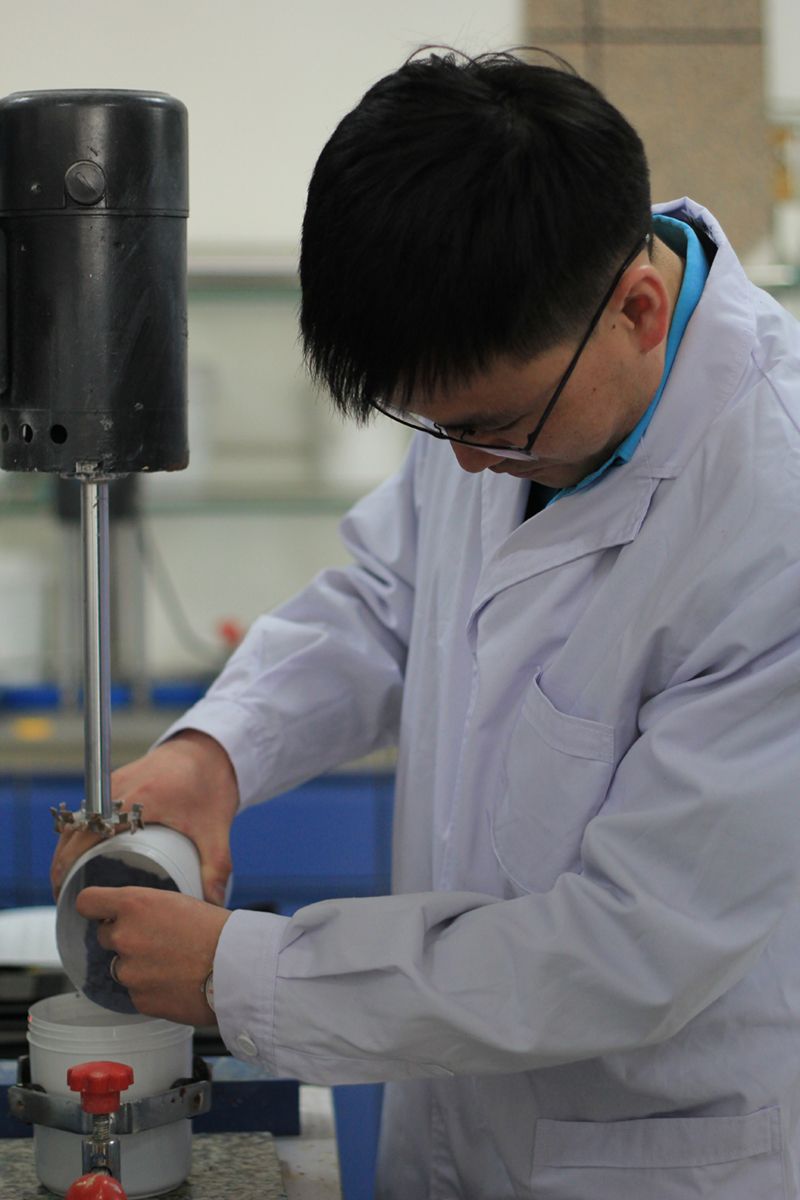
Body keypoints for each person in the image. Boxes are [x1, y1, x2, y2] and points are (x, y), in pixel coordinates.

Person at [52, 49, 800, 1200]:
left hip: (644, 1158)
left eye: (490, 426)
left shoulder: (768, 515)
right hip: (447, 1136)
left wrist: (242, 974)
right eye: (430, 425)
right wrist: (217, 751)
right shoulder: (510, 374)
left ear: (638, 313)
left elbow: (626, 948)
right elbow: (387, 602)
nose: (462, 465)